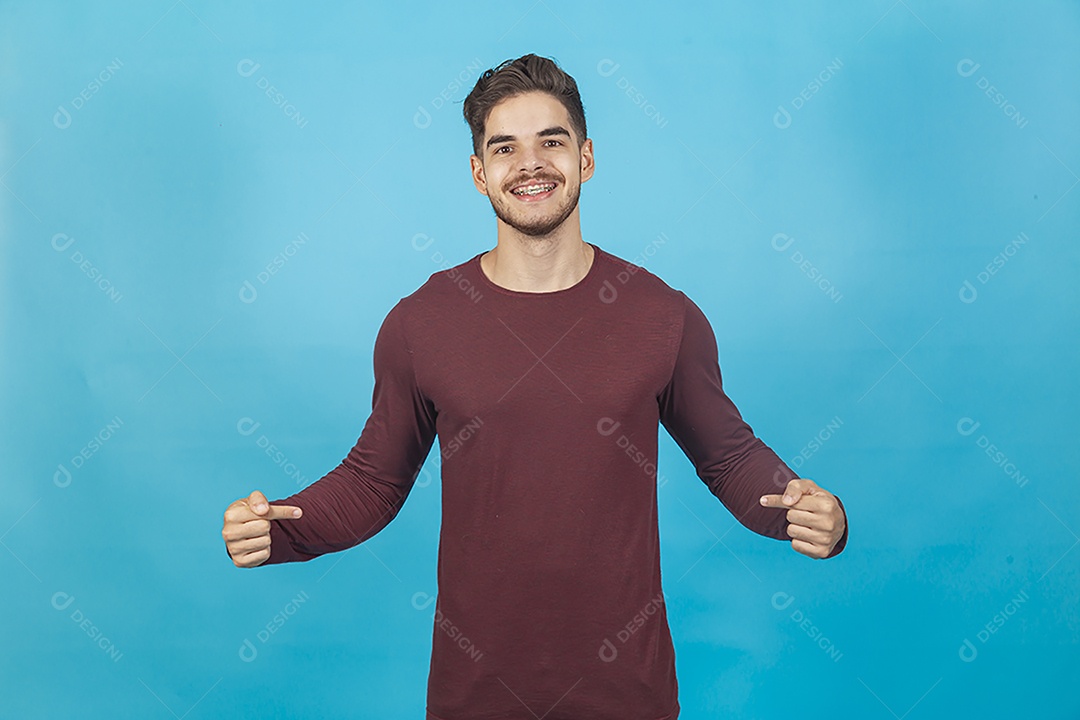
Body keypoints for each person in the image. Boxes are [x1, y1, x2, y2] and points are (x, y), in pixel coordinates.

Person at [222, 53, 848, 720]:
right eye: (505, 147)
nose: (531, 164)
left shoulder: (663, 316)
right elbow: (375, 479)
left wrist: (801, 508)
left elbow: (728, 458)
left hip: (627, 696)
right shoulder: (421, 323)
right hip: (476, 696)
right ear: (478, 173)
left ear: (586, 157)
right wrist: (283, 529)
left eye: (551, 141)